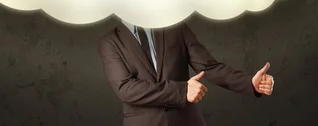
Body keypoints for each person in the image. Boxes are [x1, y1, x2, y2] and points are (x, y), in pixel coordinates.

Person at [97, 19, 275, 126]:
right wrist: (182, 91)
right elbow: (126, 88)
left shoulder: (175, 27)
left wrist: (249, 82)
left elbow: (209, 67)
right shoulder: (110, 41)